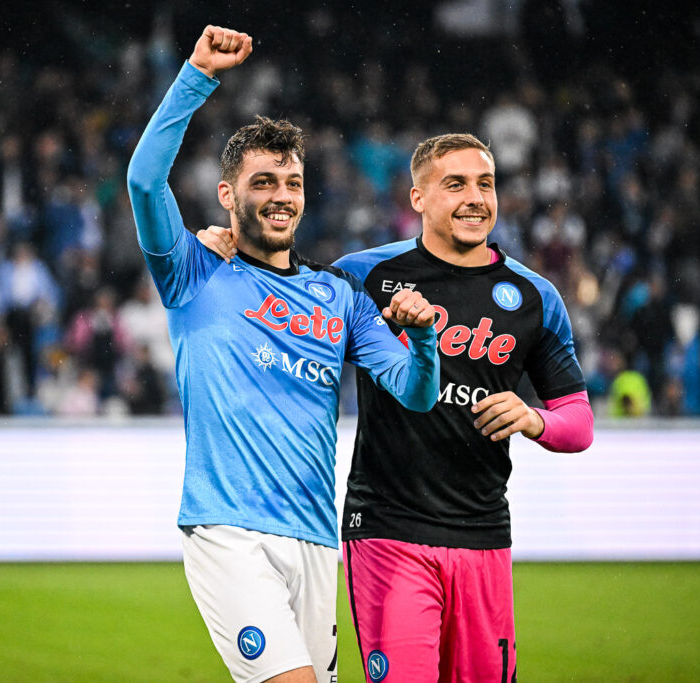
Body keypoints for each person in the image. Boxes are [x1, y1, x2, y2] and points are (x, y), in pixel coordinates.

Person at [199, 134, 594, 682]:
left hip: (484, 531)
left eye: (485, 184)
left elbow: (579, 423)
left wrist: (535, 419)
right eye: (455, 185)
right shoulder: (364, 276)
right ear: (418, 198)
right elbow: (282, 280)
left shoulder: (534, 297)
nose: (475, 198)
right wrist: (227, 243)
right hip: (388, 528)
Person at [126, 26, 441, 683]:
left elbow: (415, 392)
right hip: (230, 532)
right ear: (227, 194)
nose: (281, 195)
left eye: (292, 182)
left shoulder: (340, 297)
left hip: (317, 539)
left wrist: (425, 340)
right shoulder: (193, 272)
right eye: (263, 181)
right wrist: (196, 76)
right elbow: (144, 180)